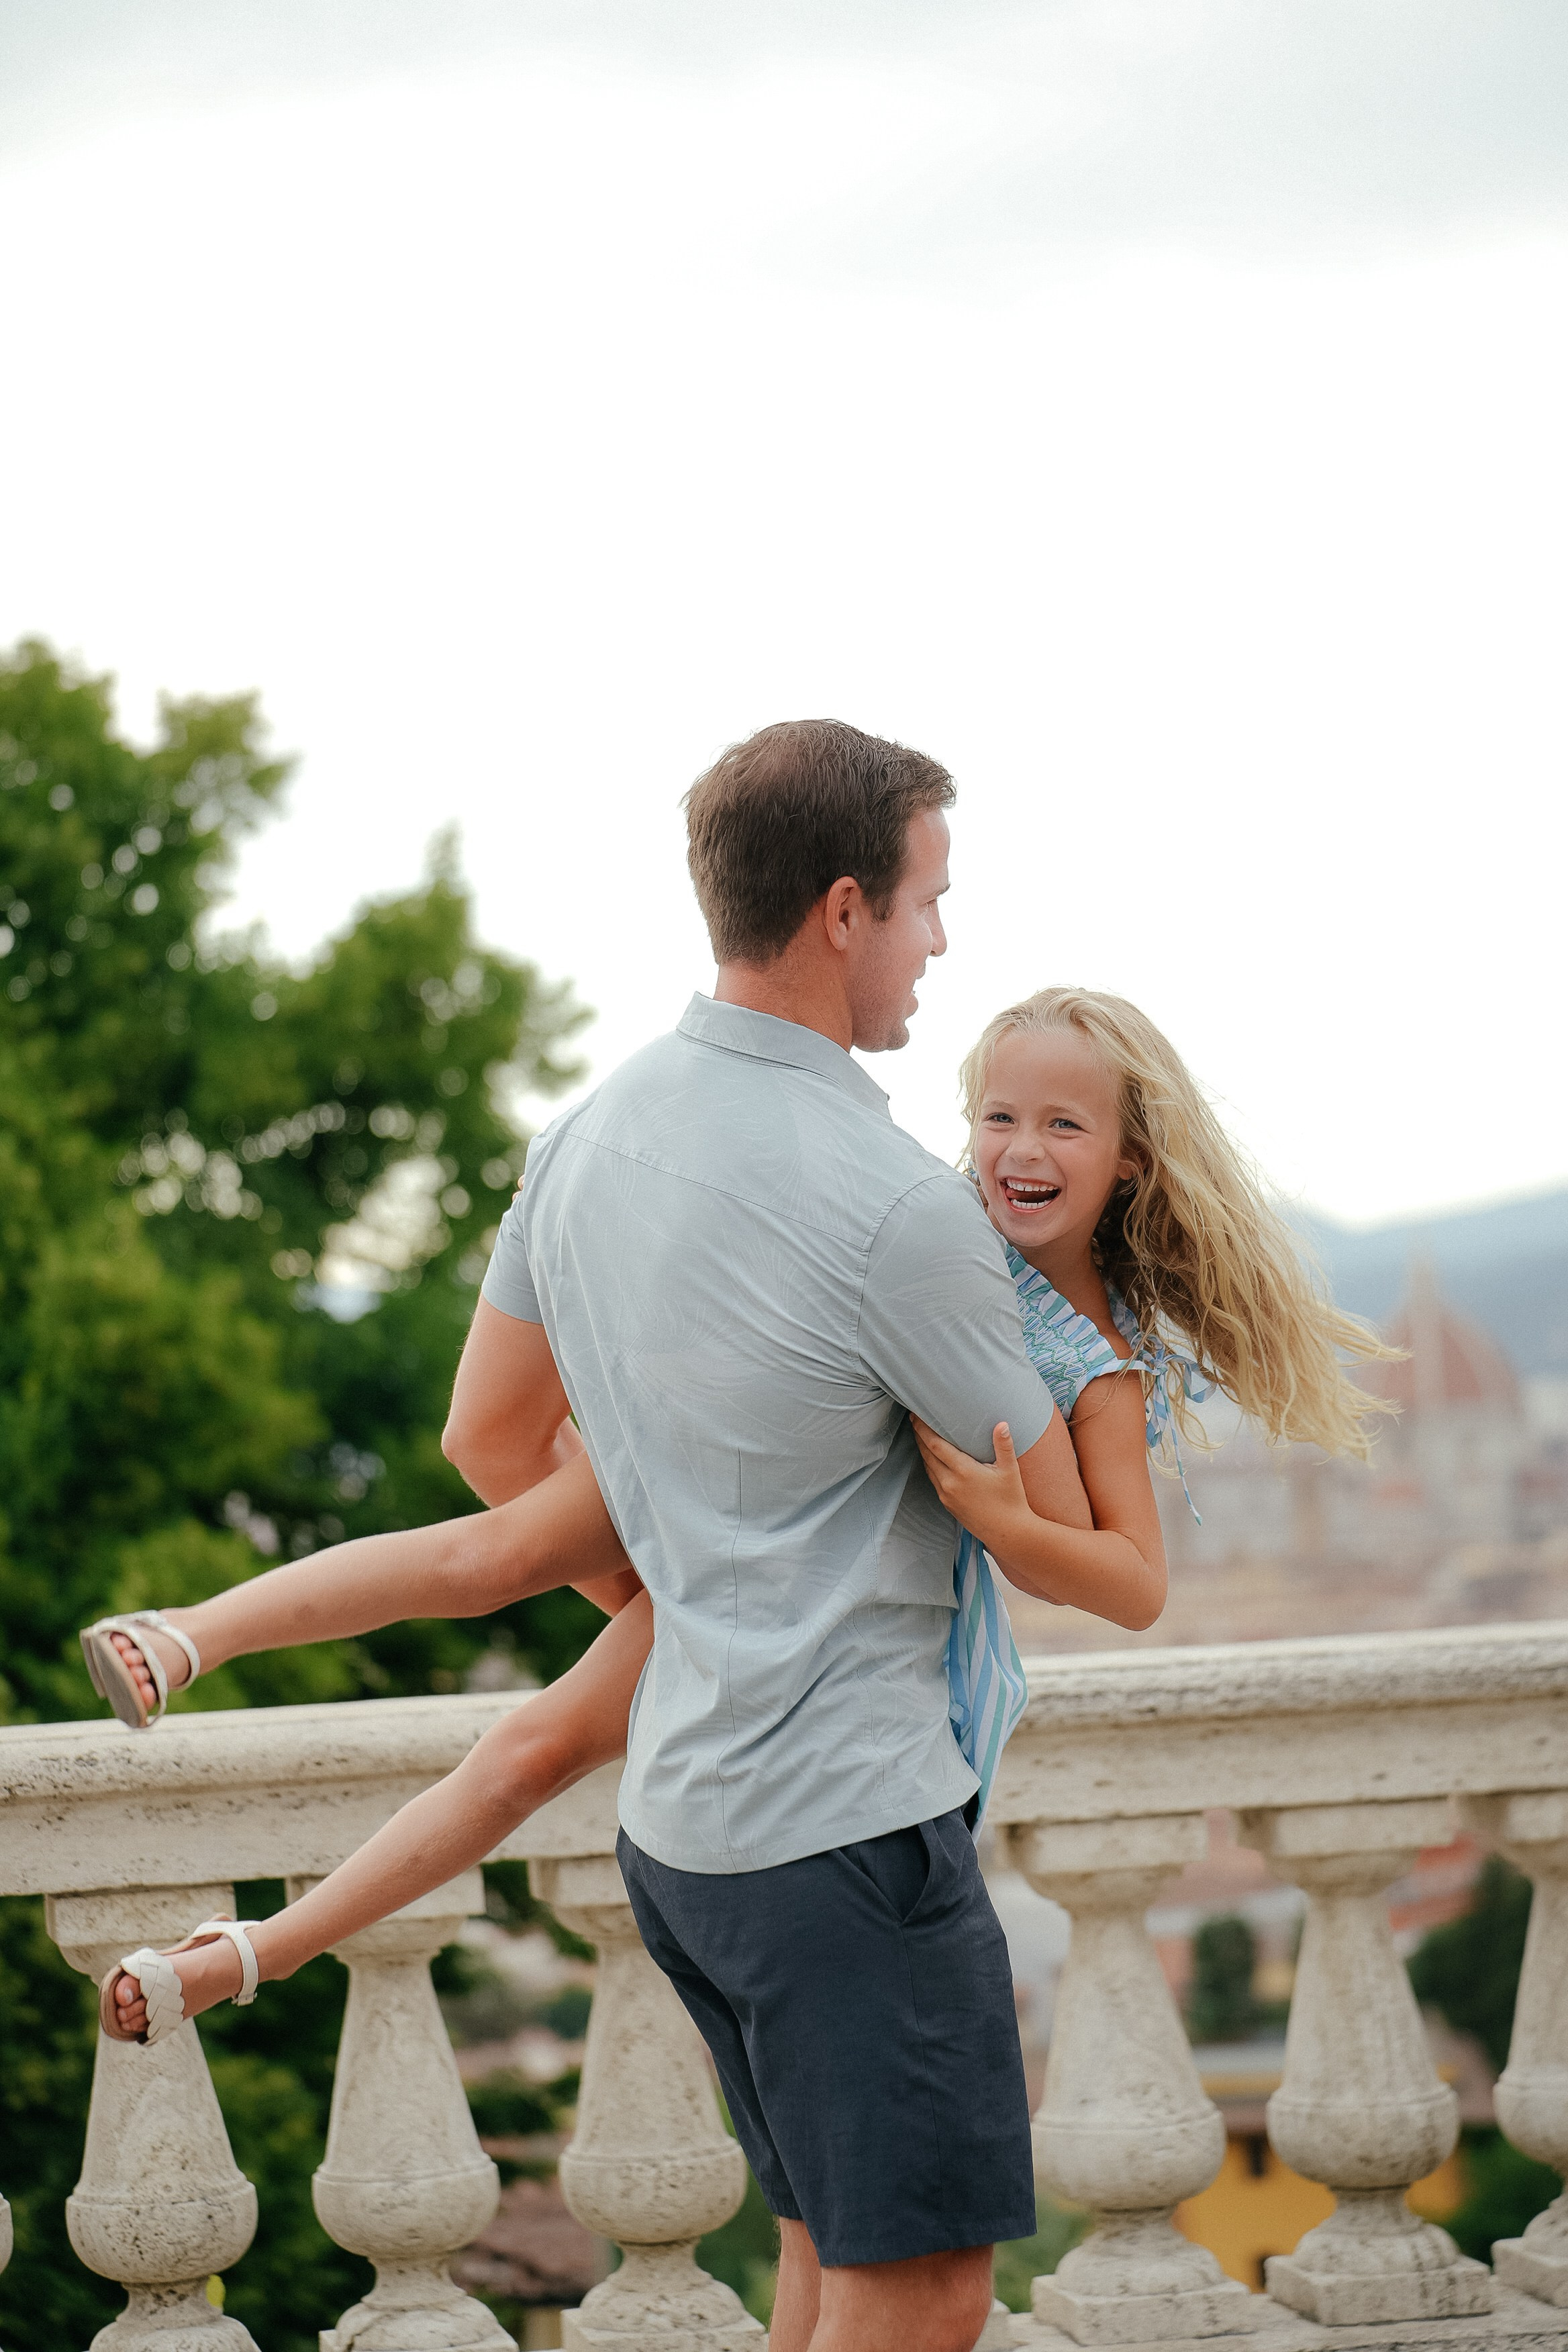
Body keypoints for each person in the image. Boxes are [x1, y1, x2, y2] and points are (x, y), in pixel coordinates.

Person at [83, 728, 1383, 2352]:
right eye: (926, 901)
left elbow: (484, 1442)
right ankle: (247, 1873)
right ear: (844, 910)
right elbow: (1054, 1527)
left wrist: (683, 1578)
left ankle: (206, 1682)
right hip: (842, 1832)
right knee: (922, 2297)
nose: (940, 940)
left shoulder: (587, 1133)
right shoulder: (898, 1206)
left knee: (819, 2268)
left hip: (687, 1842)